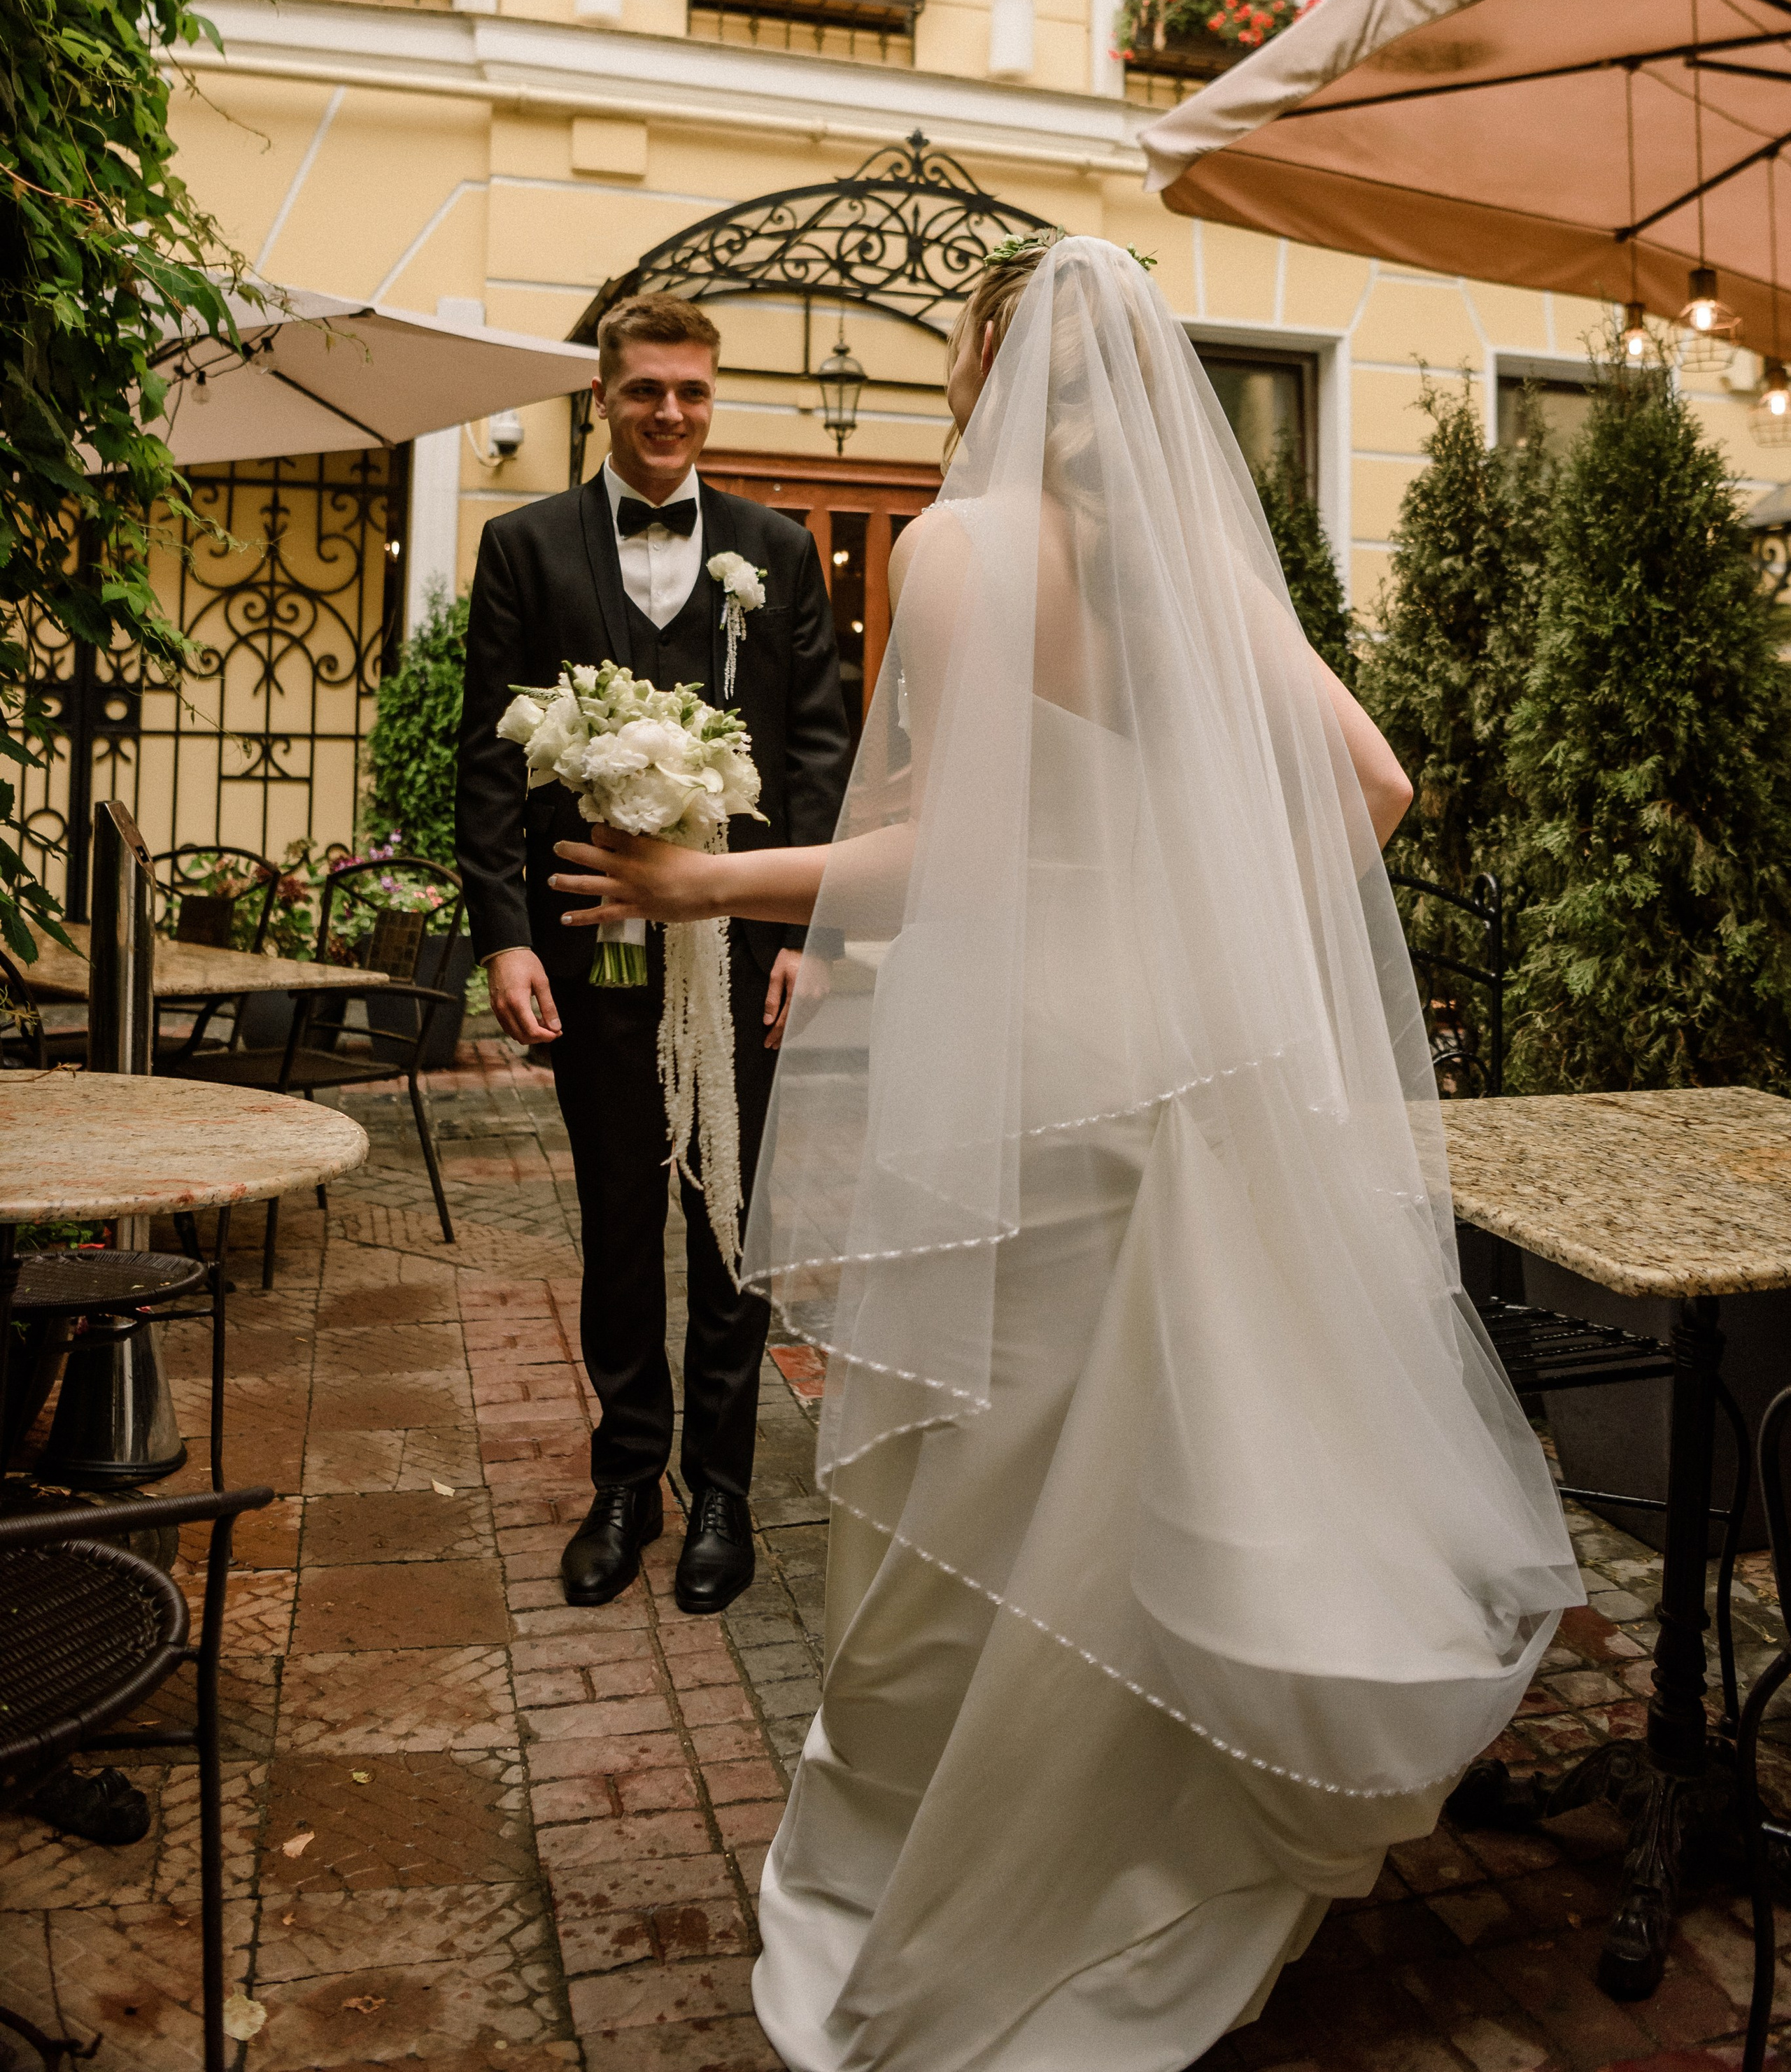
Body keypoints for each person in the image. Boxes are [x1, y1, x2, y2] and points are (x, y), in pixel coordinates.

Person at [550, 240, 1580, 2071]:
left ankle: (978, 1893)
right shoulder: (1192, 565)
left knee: (985, 1513)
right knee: (1180, 1477)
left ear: (982, 360)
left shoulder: (958, 549)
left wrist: (705, 875)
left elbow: (948, 854)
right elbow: (1379, 789)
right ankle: (1157, 1862)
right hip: (1193, 1084)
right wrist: (1217, 937)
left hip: (1030, 1085)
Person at [456, 292, 850, 1617]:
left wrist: (806, 935)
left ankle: (724, 1491)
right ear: (603, 398)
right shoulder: (521, 547)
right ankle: (626, 1479)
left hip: (742, 952)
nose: (669, 412)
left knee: (729, 1219)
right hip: (586, 943)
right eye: (644, 392)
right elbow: (489, 767)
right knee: (620, 1215)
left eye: (690, 390)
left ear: (710, 395)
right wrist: (504, 939)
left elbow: (813, 750)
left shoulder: (777, 550)